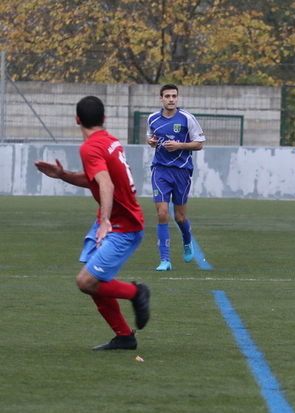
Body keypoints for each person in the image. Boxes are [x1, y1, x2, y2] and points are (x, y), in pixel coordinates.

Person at [34, 96, 150, 350]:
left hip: (123, 226)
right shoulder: (109, 141)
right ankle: (124, 338)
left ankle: (137, 293)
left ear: (77, 120)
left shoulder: (89, 148)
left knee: (86, 282)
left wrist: (106, 221)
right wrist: (63, 175)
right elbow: (97, 180)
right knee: (95, 283)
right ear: (104, 118)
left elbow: (105, 184)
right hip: (115, 222)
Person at [146, 84, 205, 271]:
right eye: (167, 96)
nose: (171, 99)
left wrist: (180, 145)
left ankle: (187, 240)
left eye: (174, 96)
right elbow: (151, 139)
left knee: (179, 217)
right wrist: (152, 142)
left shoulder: (188, 118)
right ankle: (165, 260)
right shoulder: (153, 118)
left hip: (182, 171)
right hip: (160, 170)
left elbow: (199, 145)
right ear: (160, 98)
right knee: (162, 213)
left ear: (177, 98)